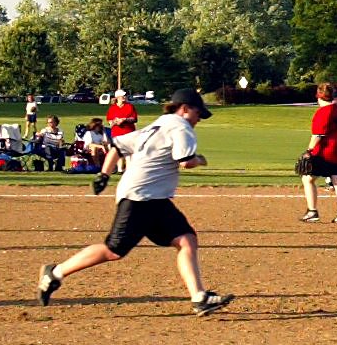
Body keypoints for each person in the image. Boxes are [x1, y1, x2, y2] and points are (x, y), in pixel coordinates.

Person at [38, 88, 230, 314]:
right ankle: (55, 273)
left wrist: (104, 175)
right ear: (185, 109)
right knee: (113, 250)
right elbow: (185, 161)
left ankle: (199, 297)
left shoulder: (157, 125)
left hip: (155, 198)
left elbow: (118, 147)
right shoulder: (181, 127)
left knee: (186, 239)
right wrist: (200, 159)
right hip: (139, 198)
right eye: (198, 113)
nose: (199, 119)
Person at [300, 81, 337, 224]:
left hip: (325, 152)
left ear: (319, 97)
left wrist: (308, 150)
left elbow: (318, 135)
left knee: (307, 178)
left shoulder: (323, 112)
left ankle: (312, 211)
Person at [93, 89, 139, 195]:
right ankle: (119, 169)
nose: (124, 97)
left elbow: (134, 119)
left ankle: (129, 170)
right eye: (122, 96)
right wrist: (115, 121)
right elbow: (110, 121)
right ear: (117, 97)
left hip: (129, 132)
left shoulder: (129, 106)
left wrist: (125, 120)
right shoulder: (113, 108)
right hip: (117, 132)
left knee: (129, 153)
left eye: (125, 95)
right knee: (118, 151)